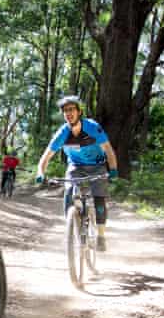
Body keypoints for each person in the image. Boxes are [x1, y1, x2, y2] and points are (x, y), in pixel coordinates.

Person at [35, 95, 118, 251]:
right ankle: (71, 229)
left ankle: (100, 236)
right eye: (66, 111)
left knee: (99, 199)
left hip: (97, 165)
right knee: (68, 193)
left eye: (72, 109)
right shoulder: (62, 134)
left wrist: (113, 169)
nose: (69, 113)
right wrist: (40, 172)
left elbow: (108, 149)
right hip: (76, 166)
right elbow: (46, 157)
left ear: (79, 112)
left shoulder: (92, 127)